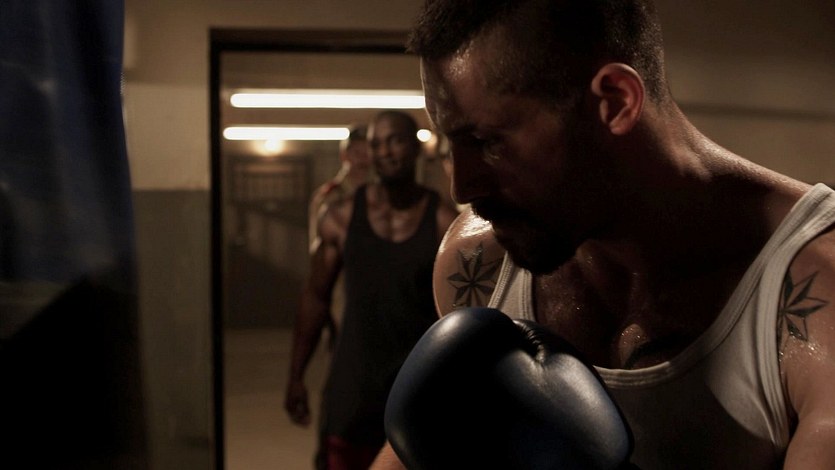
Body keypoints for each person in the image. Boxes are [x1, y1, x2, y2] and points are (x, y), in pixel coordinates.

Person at [371, 1, 835, 469]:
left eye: (487, 142)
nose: (462, 188)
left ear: (614, 102)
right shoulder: (476, 265)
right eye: (449, 142)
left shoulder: (816, 288)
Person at [285, 110, 459, 469]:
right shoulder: (340, 217)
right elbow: (315, 297)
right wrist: (296, 375)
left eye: (395, 141)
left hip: (415, 388)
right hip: (353, 386)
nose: (385, 151)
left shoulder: (444, 222)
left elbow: (460, 314)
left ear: (415, 148)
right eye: (377, 144)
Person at [308, 124, 372, 342]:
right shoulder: (330, 196)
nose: (362, 158)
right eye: (356, 152)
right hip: (342, 284)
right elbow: (319, 249)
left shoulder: (379, 193)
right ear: (344, 155)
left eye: (367, 151)